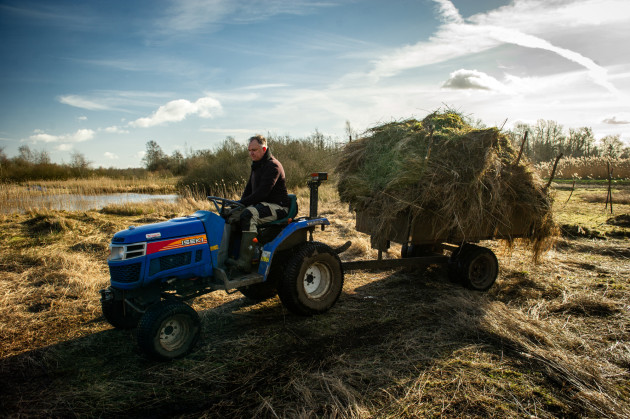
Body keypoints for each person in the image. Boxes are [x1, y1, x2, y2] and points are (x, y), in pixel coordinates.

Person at [226, 135, 289, 272]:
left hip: (278, 206)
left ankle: (244, 263)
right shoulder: (256, 166)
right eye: (249, 150)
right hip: (263, 204)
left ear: (264, 149)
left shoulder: (273, 165)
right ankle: (228, 257)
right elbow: (248, 191)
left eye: (254, 150)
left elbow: (262, 193)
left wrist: (242, 204)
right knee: (229, 215)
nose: (251, 153)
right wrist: (236, 206)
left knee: (249, 215)